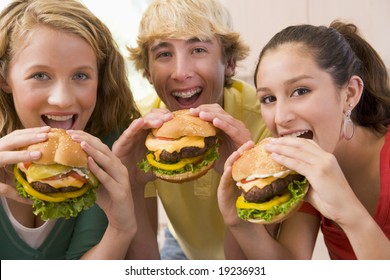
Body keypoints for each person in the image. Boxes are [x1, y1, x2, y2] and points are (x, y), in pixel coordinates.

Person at [217, 20, 390, 259]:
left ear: (349, 93)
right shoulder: (304, 172)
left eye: (300, 91)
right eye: (268, 99)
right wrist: (242, 225)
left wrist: (349, 214)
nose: (281, 118)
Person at [113, 0, 270, 259]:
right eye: (164, 54)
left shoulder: (264, 118)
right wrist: (130, 184)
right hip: (181, 246)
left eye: (198, 49)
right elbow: (144, 264)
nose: (180, 72)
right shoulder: (139, 129)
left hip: (249, 244)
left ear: (229, 62)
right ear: (148, 72)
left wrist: (246, 171)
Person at [0, 0, 140, 259]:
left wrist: (122, 229)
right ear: (4, 78)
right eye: (40, 75)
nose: (62, 99)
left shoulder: (104, 146)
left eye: (80, 76)